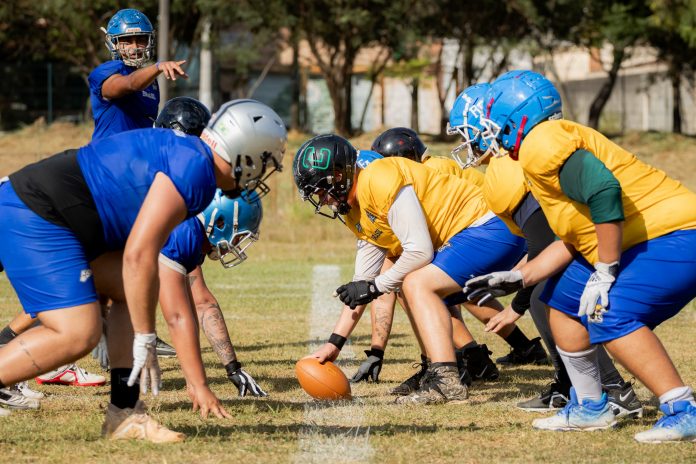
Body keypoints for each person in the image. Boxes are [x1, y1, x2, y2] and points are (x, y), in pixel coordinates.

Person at [0, 99, 286, 440]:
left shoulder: (190, 155)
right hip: (39, 211)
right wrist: (146, 336)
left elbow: (137, 260)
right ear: (246, 153)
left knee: (128, 287)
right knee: (79, 332)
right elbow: (140, 253)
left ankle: (125, 413)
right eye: (265, 161)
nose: (260, 174)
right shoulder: (198, 170)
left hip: (55, 211)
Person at [463, 70, 696, 442]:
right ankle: (592, 406)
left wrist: (605, 270)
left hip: (675, 233)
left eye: (490, 119)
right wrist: (523, 276)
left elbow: (604, 192)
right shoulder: (539, 150)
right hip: (641, 235)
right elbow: (575, 234)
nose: (486, 130)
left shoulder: (542, 143)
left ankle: (681, 408)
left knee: (607, 311)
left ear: (514, 117)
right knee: (563, 303)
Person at [447, 82, 642, 416]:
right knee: (547, 300)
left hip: (604, 240)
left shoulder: (512, 165)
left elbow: (542, 240)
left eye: (468, 132)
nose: (466, 143)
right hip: (589, 237)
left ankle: (609, 388)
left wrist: (516, 307)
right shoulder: (510, 162)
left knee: (546, 301)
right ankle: (573, 386)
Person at [293, 134, 527, 404]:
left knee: (415, 283)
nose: (321, 200)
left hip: (490, 227)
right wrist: (335, 343)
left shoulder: (378, 179)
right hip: (474, 234)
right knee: (407, 284)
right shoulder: (353, 209)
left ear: (340, 174)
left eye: (322, 190)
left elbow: (419, 251)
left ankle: (447, 380)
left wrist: (376, 286)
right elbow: (361, 284)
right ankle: (440, 368)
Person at [89, 8, 188, 140]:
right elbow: (130, 83)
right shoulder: (105, 71)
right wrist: (157, 67)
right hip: (110, 156)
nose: (135, 46)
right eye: (127, 40)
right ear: (113, 43)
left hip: (138, 157)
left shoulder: (150, 81)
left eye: (141, 40)